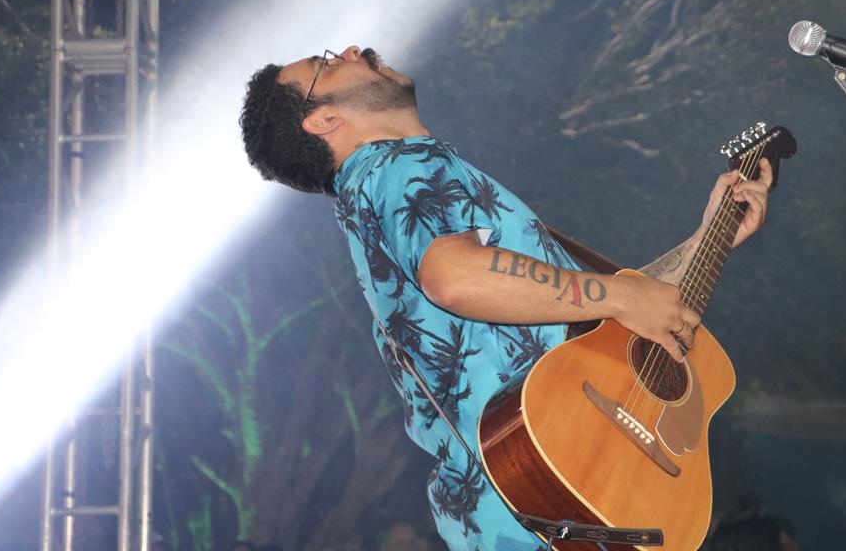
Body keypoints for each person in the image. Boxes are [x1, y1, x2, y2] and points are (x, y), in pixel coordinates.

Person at [240, 45, 774, 551]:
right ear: (323, 120)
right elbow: (454, 279)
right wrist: (617, 294)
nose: (352, 50)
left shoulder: (387, 183)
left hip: (547, 496)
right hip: (538, 490)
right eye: (328, 63)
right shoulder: (396, 166)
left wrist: (707, 239)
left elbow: (612, 318)